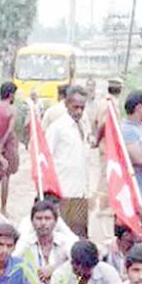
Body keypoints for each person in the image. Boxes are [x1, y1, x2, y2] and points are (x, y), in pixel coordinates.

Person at [47, 85, 91, 237]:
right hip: (63, 191)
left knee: (79, 233)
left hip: (80, 192)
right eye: (75, 107)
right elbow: (46, 158)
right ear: (66, 104)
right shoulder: (57, 128)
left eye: (82, 107)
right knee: (63, 235)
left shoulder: (83, 126)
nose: (79, 111)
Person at [13, 199, 76, 284]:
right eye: (38, 219)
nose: (43, 223)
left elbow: (77, 261)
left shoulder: (64, 241)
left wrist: (55, 268)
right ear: (32, 221)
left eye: (47, 218)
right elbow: (13, 261)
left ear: (55, 222)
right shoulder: (25, 241)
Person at [0, 82, 20, 215]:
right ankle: (3, 207)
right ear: (11, 94)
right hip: (8, 145)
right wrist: (3, 143)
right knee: (5, 176)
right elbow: (10, 129)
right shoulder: (11, 109)